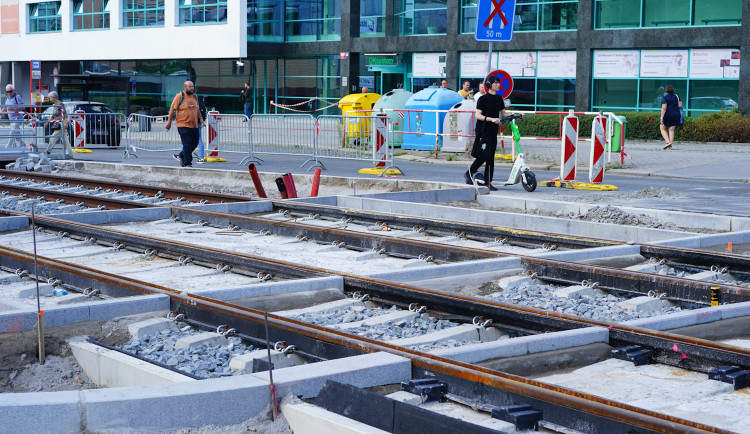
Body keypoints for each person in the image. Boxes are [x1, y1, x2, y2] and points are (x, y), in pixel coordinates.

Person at [465, 75, 520, 191]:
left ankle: (487, 182)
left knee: (490, 157)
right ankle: (469, 173)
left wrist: (516, 115)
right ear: (489, 85)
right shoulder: (483, 99)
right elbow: (478, 115)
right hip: (483, 130)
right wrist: (491, 119)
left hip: (493, 131)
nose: (498, 85)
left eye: (498, 83)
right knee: (483, 155)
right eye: (495, 83)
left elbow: (504, 113)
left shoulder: (499, 99)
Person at [166, 81, 204, 167]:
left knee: (194, 143)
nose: (192, 88)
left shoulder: (195, 97)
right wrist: (169, 123)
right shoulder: (180, 96)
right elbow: (172, 109)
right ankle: (187, 163)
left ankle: (182, 155)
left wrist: (201, 119)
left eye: (192, 86)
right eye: (190, 87)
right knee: (187, 144)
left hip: (194, 125)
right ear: (185, 88)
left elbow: (197, 109)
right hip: (182, 124)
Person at [44, 91, 74, 158]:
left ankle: (47, 151)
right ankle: (70, 154)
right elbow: (53, 116)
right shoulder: (55, 105)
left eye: (50, 98)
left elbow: (65, 114)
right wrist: (47, 123)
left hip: (61, 124)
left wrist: (65, 123)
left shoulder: (60, 104)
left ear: (54, 97)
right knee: (65, 140)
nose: (50, 99)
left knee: (53, 138)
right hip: (58, 123)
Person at [660, 84, 682, 150]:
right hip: (676, 114)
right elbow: (680, 105)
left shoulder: (665, 97)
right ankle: (670, 146)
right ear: (673, 90)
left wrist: (661, 117)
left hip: (668, 115)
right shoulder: (677, 96)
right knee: (671, 130)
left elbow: (664, 108)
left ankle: (667, 142)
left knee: (662, 128)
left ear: (666, 91)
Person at [3, 84, 26, 148]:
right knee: (17, 135)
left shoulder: (17, 97)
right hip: (11, 119)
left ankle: (7, 148)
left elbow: (23, 106)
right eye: (7, 92)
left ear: (14, 90)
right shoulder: (7, 98)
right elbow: (5, 107)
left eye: (10, 91)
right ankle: (22, 146)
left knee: (12, 133)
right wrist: (1, 112)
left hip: (17, 118)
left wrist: (13, 108)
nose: (9, 93)